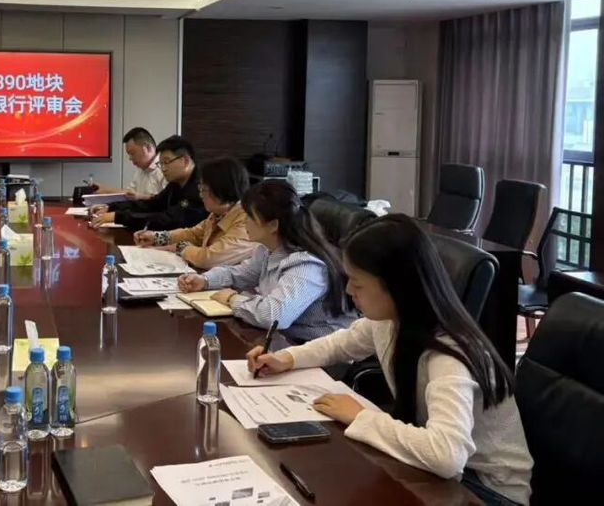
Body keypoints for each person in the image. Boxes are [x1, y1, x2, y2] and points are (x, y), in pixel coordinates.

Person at [247, 214, 532, 506]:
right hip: (445, 474)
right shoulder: (391, 320)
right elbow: (341, 344)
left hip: (486, 490)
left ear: (396, 286)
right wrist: (286, 358)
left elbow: (447, 455)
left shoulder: (448, 354)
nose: (348, 291)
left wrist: (361, 416)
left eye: (358, 284)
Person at [176, 179, 355, 341]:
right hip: (282, 342)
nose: (244, 222)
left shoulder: (307, 265)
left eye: (250, 217)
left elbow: (274, 316)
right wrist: (205, 280)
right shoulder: (267, 249)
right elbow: (240, 273)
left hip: (317, 352)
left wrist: (232, 298)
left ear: (273, 225)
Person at [134, 157, 252, 269]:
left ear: (221, 190)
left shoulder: (247, 219)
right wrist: (156, 237)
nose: (200, 195)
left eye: (203, 190)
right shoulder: (219, 213)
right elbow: (193, 234)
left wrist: (180, 247)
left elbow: (209, 258)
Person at [91, 135, 206, 231]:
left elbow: (169, 219)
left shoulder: (201, 188)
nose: (163, 169)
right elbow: (152, 204)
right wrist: (112, 207)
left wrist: (118, 217)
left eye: (166, 162)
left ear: (185, 161)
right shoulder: (176, 183)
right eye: (161, 164)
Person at [91, 127, 166, 201]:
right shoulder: (140, 169)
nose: (130, 158)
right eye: (129, 154)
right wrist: (105, 190)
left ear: (148, 148)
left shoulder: (164, 169)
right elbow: (129, 194)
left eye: (132, 153)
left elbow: (165, 201)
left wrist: (141, 197)